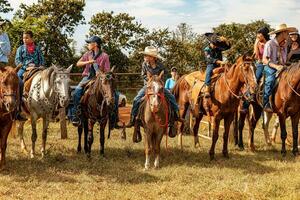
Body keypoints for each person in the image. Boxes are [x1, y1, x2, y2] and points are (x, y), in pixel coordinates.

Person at [126, 46, 180, 135]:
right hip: (148, 86)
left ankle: (176, 117)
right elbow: (143, 75)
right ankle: (132, 119)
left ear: (153, 57)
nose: (145, 57)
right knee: (136, 99)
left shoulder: (161, 65)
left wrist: (159, 81)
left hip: (159, 86)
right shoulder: (144, 64)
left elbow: (164, 74)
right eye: (145, 55)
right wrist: (150, 81)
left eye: (147, 55)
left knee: (171, 97)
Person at [71, 35, 111, 126]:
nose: (88, 45)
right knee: (77, 92)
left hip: (100, 79)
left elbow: (108, 71)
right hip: (87, 77)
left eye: (89, 43)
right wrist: (88, 62)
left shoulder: (105, 56)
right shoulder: (87, 54)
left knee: (113, 94)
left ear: (95, 44)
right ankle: (76, 114)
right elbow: (78, 63)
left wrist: (101, 72)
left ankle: (113, 117)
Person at [262, 23, 296, 112]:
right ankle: (265, 103)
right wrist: (276, 66)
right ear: (283, 33)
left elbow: (284, 61)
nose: (289, 35)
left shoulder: (284, 46)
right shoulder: (270, 43)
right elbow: (264, 60)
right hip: (270, 67)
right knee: (270, 80)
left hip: (281, 67)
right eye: (287, 33)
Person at [15, 30, 45, 121]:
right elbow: (17, 60)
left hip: (37, 69)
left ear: (32, 38)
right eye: (23, 38)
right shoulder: (20, 49)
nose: (24, 39)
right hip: (23, 69)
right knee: (18, 81)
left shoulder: (37, 49)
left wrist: (40, 66)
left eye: (27, 37)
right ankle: (18, 107)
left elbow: (42, 60)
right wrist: (26, 67)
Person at [203, 33, 231, 98]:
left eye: (216, 45)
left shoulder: (218, 48)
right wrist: (220, 61)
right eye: (214, 44)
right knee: (208, 72)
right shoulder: (206, 49)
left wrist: (226, 40)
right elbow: (209, 58)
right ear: (210, 42)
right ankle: (207, 89)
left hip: (220, 65)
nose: (215, 46)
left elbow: (228, 47)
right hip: (211, 65)